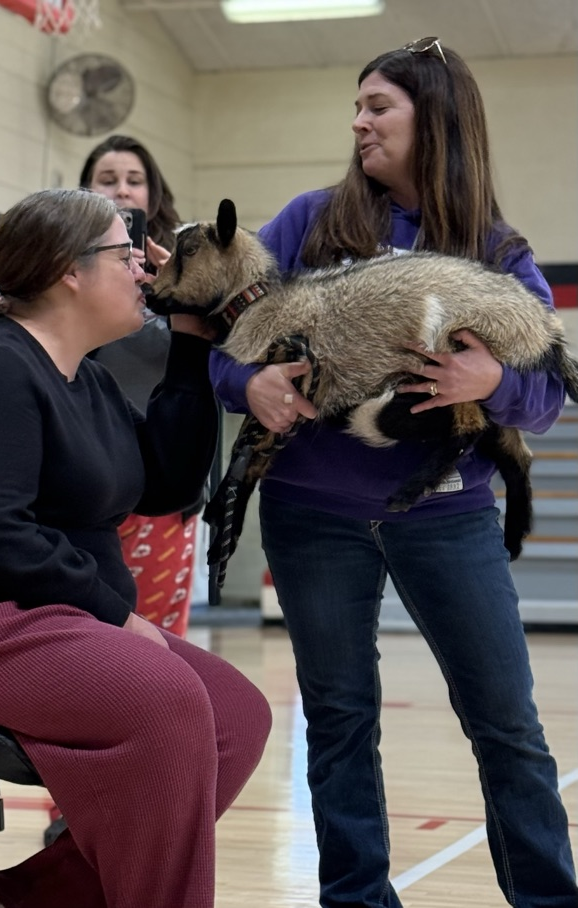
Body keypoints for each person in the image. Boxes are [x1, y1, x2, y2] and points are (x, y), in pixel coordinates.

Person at [209, 38, 577, 907]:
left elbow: (545, 395)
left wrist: (492, 383)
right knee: (336, 722)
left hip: (447, 518)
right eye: (358, 105)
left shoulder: (494, 247)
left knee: (508, 726)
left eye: (379, 106)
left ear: (436, 121)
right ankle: (357, 900)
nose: (359, 122)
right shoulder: (305, 222)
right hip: (310, 517)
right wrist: (252, 383)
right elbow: (223, 357)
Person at [0, 188, 272, 908]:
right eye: (127, 256)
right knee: (164, 700)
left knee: (237, 715)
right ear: (71, 270)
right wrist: (112, 613)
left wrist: (190, 339)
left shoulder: (85, 378)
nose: (142, 270)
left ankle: (32, 898)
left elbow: (165, 483)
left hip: (23, 613)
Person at [79, 134, 208, 638]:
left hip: (160, 468)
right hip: (84, 472)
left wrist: (173, 291)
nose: (122, 193)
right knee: (95, 631)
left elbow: (212, 364)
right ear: (84, 190)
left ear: (153, 195)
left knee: (156, 637)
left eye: (134, 181)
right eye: (107, 181)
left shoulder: (185, 269)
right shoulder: (60, 268)